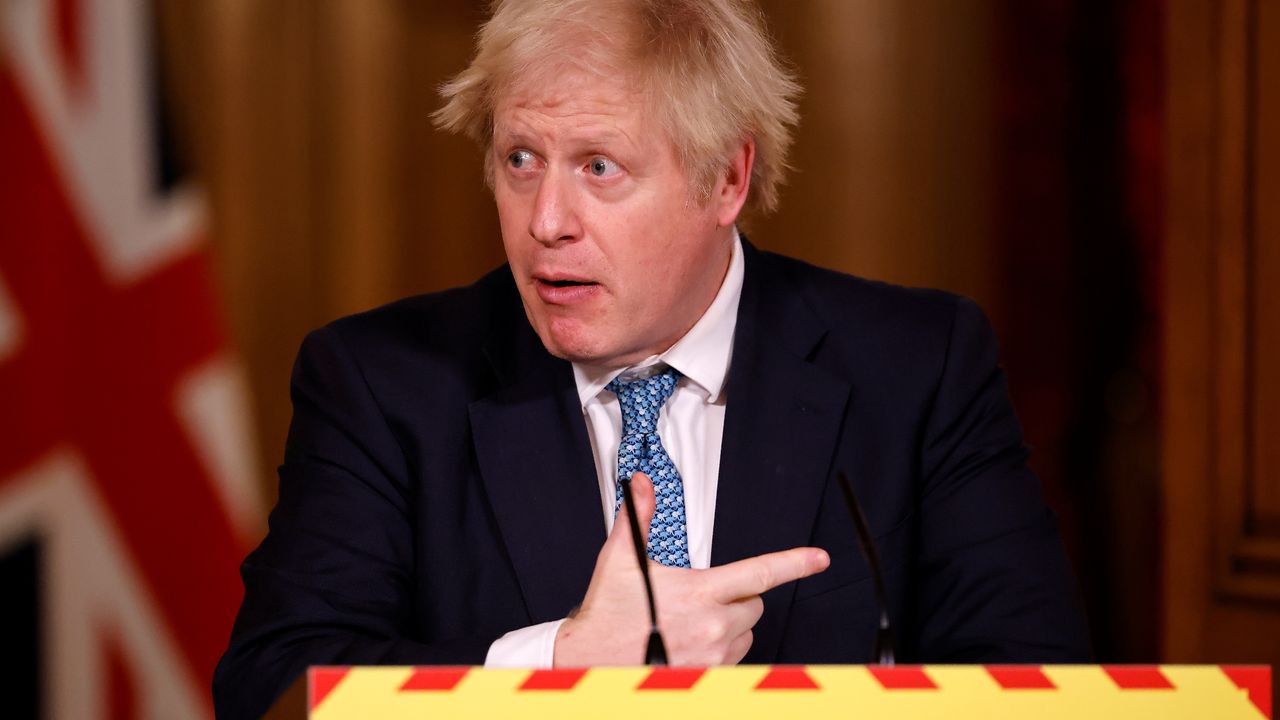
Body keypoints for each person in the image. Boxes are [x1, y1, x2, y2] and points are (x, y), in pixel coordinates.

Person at [213, 0, 1090, 717]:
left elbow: (1033, 684)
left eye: (599, 167)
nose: (546, 219)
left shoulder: (915, 369)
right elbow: (271, 692)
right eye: (521, 159)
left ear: (727, 181)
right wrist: (556, 663)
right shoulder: (381, 383)